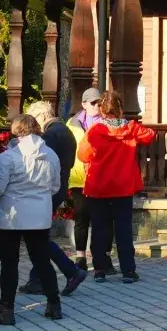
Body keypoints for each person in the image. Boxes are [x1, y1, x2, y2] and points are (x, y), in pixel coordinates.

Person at [0, 115, 63, 325]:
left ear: (15, 131)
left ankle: (7, 309)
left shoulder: (8, 157)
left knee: (9, 263)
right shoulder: (51, 155)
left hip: (11, 216)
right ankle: (54, 304)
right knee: (42, 260)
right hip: (40, 215)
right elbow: (55, 186)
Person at [76, 89, 154, 284]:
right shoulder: (130, 127)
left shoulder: (95, 130)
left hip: (98, 185)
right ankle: (128, 271)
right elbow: (150, 136)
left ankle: (100, 270)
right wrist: (127, 124)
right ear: (120, 108)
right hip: (123, 185)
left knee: (100, 228)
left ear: (101, 109)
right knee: (123, 229)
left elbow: (82, 155)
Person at [19, 101, 88, 296]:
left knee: (38, 237)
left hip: (48, 190)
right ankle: (38, 278)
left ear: (40, 117)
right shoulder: (63, 131)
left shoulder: (51, 135)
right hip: (58, 187)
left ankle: (70, 271)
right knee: (38, 236)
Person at [68, 88, 102, 270]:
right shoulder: (72, 124)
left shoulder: (106, 122)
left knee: (98, 219)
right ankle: (80, 257)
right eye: (93, 103)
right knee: (81, 218)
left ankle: (99, 257)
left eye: (99, 103)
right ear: (84, 104)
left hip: (99, 178)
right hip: (78, 177)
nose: (97, 106)